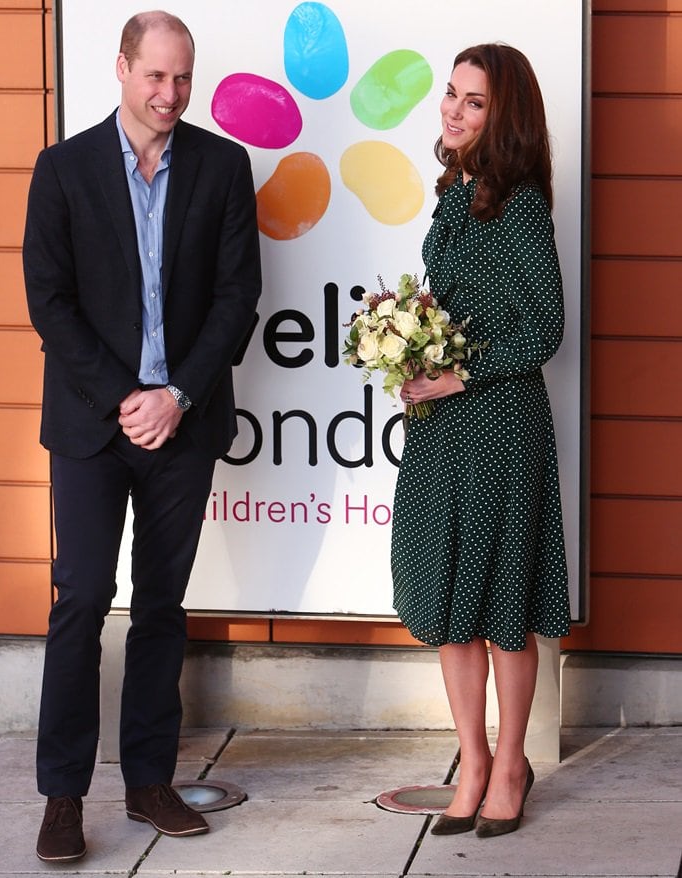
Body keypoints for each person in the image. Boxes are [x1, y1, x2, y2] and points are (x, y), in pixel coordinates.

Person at [23, 10, 261, 862]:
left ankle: (151, 782)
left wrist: (179, 396)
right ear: (122, 70)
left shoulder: (224, 166)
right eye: (155, 76)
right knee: (81, 599)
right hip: (92, 425)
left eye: (183, 78)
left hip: (185, 425)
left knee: (161, 603)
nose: (170, 94)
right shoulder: (62, 169)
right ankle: (61, 797)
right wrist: (129, 396)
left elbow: (239, 297)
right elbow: (48, 300)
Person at [390, 43, 571, 838]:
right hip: (441, 427)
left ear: (506, 116)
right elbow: (459, 301)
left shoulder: (522, 201)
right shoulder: (454, 193)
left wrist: (460, 376)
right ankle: (470, 759)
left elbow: (547, 328)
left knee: (502, 604)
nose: (452, 111)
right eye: (451, 96)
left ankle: (511, 763)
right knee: (449, 594)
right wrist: (414, 352)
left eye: (473, 102)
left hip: (501, 426)